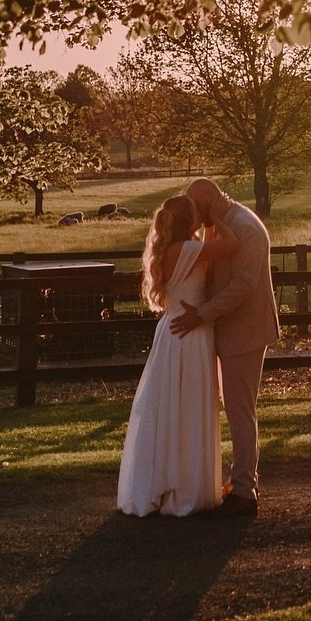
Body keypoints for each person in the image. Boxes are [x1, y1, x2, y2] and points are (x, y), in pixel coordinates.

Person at [117, 194, 237, 517]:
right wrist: (218, 214)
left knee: (166, 408)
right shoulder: (189, 250)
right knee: (189, 408)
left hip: (170, 331)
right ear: (190, 220)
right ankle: (188, 487)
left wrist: (205, 227)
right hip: (192, 335)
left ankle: (163, 480)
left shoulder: (173, 251)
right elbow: (233, 244)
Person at [168, 177, 281, 518]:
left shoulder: (245, 227)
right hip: (224, 331)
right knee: (233, 410)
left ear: (206, 199)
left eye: (192, 206)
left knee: (240, 410)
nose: (190, 214)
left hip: (245, 332)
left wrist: (201, 314)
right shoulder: (219, 225)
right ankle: (238, 481)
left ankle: (245, 492)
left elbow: (243, 285)